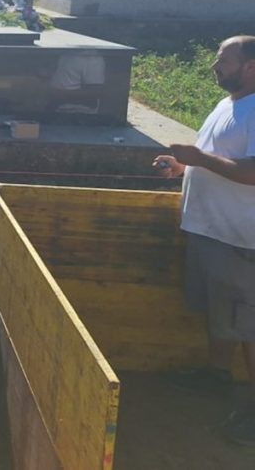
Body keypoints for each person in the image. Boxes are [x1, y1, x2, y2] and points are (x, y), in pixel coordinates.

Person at [154, 35, 255, 444]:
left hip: (240, 238)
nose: (215, 66)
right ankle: (217, 375)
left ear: (251, 67)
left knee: (248, 326)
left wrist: (197, 159)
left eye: (223, 61)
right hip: (209, 229)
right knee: (220, 313)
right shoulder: (228, 104)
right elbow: (218, 157)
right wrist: (183, 167)